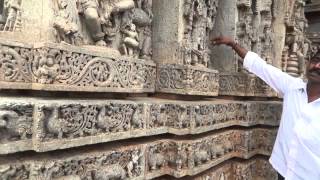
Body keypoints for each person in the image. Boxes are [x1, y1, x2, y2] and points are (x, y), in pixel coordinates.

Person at [212, 36, 320, 180]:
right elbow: (262, 68)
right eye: (315, 60)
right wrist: (233, 44)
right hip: (283, 170)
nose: (317, 66)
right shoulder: (293, 87)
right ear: (308, 63)